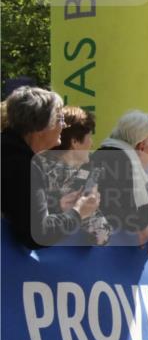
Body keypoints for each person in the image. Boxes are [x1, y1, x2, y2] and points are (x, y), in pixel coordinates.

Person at [1, 87, 100, 247]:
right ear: (41, 128)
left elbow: (20, 212)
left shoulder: (11, 153)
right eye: (59, 119)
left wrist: (57, 207)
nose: (63, 126)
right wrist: (78, 213)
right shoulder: (21, 165)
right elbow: (38, 235)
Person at [38, 106, 113, 245]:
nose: (92, 143)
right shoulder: (72, 180)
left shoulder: (34, 164)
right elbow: (102, 234)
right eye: (89, 137)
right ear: (75, 142)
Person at [88, 110, 148, 255]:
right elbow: (121, 209)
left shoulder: (103, 153)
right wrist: (144, 229)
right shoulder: (121, 159)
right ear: (142, 146)